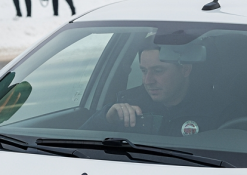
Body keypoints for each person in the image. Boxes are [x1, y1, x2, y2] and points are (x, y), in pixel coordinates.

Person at [81, 37, 227, 136]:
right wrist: (107, 118)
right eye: (144, 71)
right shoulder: (127, 104)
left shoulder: (218, 111)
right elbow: (81, 142)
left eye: (158, 71)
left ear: (185, 70)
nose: (148, 80)